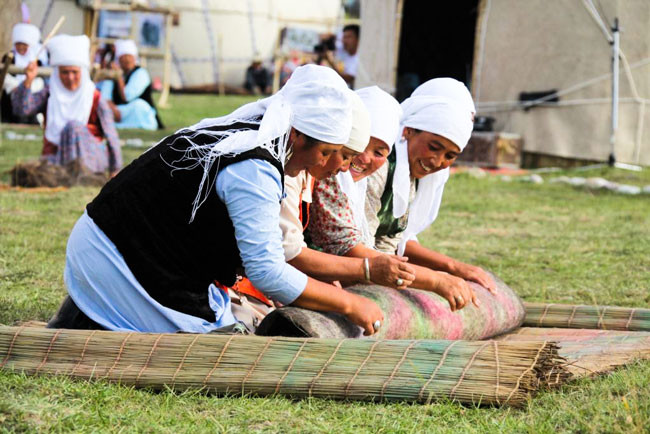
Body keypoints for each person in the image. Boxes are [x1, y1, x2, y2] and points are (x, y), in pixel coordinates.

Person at [48, 64, 384, 336]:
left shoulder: (241, 132)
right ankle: (100, 311)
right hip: (117, 260)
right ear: (296, 134)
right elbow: (268, 272)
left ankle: (98, 308)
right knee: (225, 336)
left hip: (107, 245)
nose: (323, 165)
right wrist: (349, 304)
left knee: (230, 314)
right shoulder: (255, 167)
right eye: (325, 152)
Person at [309, 81, 496, 311]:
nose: (437, 162)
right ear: (408, 130)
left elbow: (389, 246)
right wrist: (437, 278)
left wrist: (441, 274)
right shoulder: (351, 170)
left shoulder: (402, 175)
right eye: (434, 147)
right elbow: (347, 249)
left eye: (450, 155)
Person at [279, 89, 416, 291]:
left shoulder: (318, 169)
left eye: (378, 152)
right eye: (347, 153)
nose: (347, 166)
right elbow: (287, 254)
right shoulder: (302, 170)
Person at [11, 34, 122, 176]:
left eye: (74, 72)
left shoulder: (94, 97)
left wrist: (115, 169)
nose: (70, 77)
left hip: (90, 159)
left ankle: (78, 173)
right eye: (65, 72)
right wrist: (28, 80)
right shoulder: (50, 93)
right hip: (55, 156)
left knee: (73, 127)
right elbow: (22, 110)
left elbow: (111, 136)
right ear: (57, 73)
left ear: (82, 71)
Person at [99, 39, 163, 130]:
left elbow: (127, 96)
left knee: (139, 105)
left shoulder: (141, 73)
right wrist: (112, 108)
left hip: (135, 111)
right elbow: (105, 97)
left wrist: (119, 77)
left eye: (129, 56)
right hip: (116, 111)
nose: (127, 59)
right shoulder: (113, 73)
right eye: (124, 56)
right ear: (119, 59)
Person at [1, 23, 47, 124]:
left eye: (24, 45)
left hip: (32, 94)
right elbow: (4, 77)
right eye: (18, 44)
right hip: (12, 94)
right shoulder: (9, 57)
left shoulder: (36, 61)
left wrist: (29, 87)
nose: (21, 47)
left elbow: (40, 80)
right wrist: (19, 87)